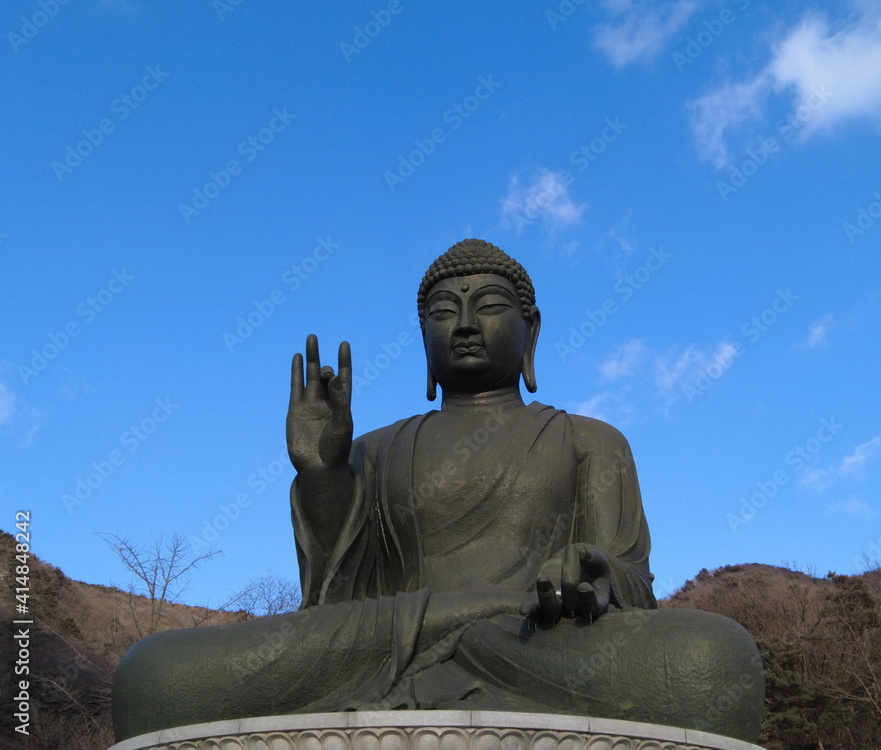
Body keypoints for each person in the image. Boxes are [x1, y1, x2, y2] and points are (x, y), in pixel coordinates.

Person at [112, 240, 764, 743]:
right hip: (383, 642)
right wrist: (323, 477)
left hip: (533, 642)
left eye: (488, 307)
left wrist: (589, 568)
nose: (464, 324)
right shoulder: (374, 450)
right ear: (423, 339)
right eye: (442, 312)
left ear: (530, 329)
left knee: (713, 659)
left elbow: (629, 582)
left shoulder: (590, 441)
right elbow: (333, 601)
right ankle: (446, 649)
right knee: (154, 675)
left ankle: (458, 651)